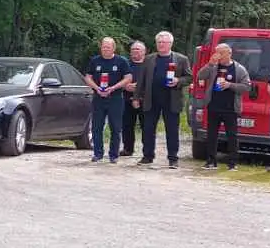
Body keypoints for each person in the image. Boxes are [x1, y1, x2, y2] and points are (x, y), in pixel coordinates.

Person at [135, 30, 192, 167]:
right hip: (151, 99)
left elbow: (189, 77)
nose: (161, 45)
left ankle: (173, 158)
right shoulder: (149, 59)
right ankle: (147, 156)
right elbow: (141, 79)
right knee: (148, 129)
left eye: (164, 42)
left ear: (170, 44)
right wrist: (136, 97)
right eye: (159, 42)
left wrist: (178, 80)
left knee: (172, 130)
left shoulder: (181, 59)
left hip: (171, 100)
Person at [196, 43, 249, 170]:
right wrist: (209, 63)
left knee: (232, 136)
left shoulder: (239, 69)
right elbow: (200, 76)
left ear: (229, 53)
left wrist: (230, 85)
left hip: (230, 108)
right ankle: (211, 161)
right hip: (214, 106)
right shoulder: (213, 67)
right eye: (216, 52)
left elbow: (247, 87)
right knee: (211, 135)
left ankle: (233, 163)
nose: (217, 55)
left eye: (220, 53)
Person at [82, 37, 132, 163]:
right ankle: (98, 153)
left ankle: (113, 155)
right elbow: (88, 77)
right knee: (96, 127)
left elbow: (128, 77)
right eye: (103, 47)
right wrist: (96, 88)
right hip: (98, 97)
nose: (105, 49)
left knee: (115, 127)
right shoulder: (95, 61)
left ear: (113, 48)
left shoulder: (121, 61)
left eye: (108, 47)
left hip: (115, 98)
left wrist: (114, 87)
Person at [122, 40, 146, 158]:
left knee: (146, 126)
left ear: (144, 52)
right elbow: (118, 79)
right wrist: (125, 86)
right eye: (133, 50)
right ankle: (127, 149)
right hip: (126, 99)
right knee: (127, 125)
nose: (135, 52)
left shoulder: (149, 65)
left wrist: (139, 87)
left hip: (145, 100)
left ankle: (147, 150)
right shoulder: (125, 64)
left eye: (138, 49)